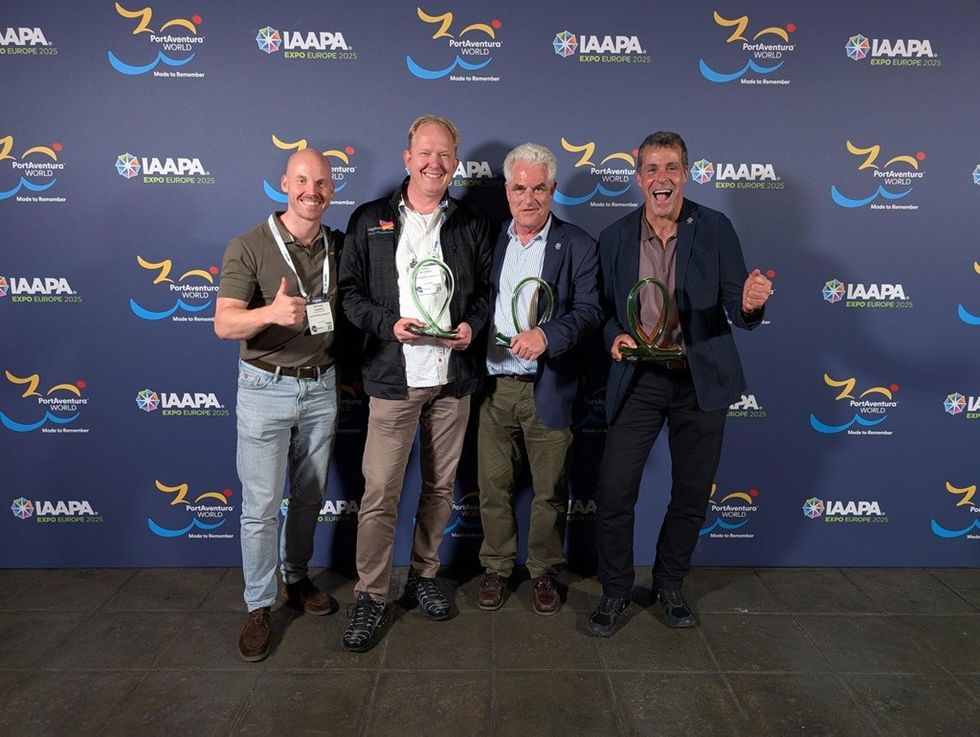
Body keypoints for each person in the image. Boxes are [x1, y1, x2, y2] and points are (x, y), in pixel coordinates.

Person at [588, 131, 772, 637]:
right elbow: (603, 312)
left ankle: (669, 585)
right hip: (640, 379)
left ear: (686, 174)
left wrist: (753, 303)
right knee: (614, 490)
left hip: (700, 381)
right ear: (639, 176)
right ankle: (615, 592)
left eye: (671, 168)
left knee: (691, 493)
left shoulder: (715, 228)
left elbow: (739, 304)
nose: (661, 178)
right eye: (651, 168)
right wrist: (614, 338)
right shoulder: (616, 236)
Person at [338, 115, 492, 651]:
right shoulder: (370, 219)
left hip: (452, 379)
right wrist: (389, 325)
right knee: (380, 491)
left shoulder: (471, 224)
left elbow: (487, 293)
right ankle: (372, 595)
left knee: (440, 488)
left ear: (456, 162)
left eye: (445, 154)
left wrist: (473, 324)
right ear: (408, 160)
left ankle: (425, 576)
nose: (435, 162)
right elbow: (350, 293)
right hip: (391, 376)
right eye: (425, 153)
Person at [215, 149, 343, 662]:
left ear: (332, 189)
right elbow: (225, 324)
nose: (312, 191)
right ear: (283, 184)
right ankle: (259, 605)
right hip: (265, 388)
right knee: (262, 505)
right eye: (303, 181)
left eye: (323, 182)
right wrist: (271, 311)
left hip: (322, 387)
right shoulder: (248, 245)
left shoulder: (339, 244)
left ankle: (295, 578)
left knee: (309, 497)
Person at [475, 142, 601, 614]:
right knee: (492, 486)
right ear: (507, 191)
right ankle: (496, 568)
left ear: (553, 190)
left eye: (540, 189)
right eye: (520, 188)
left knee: (549, 492)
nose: (529, 199)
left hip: (548, 388)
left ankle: (544, 573)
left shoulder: (579, 245)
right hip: (493, 388)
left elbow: (590, 312)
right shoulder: (490, 241)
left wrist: (547, 335)